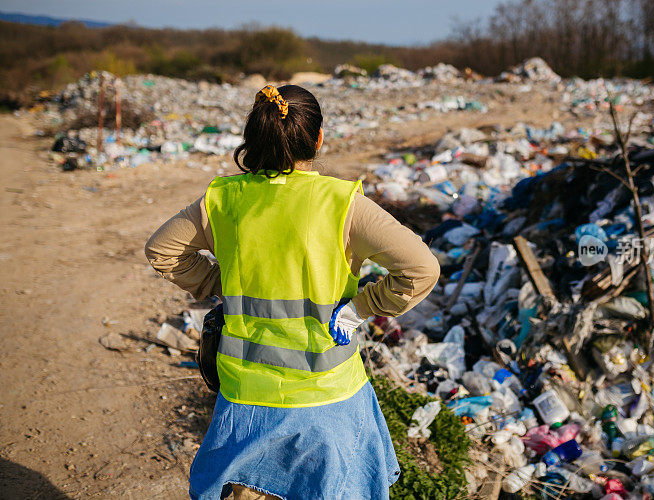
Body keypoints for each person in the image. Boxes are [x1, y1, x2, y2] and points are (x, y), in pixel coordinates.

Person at [144, 84, 440, 500]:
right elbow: (421, 268)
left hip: (245, 399)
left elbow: (162, 250)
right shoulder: (342, 204)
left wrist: (219, 285)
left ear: (255, 137)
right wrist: (362, 307)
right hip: (329, 397)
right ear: (318, 139)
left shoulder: (222, 201)